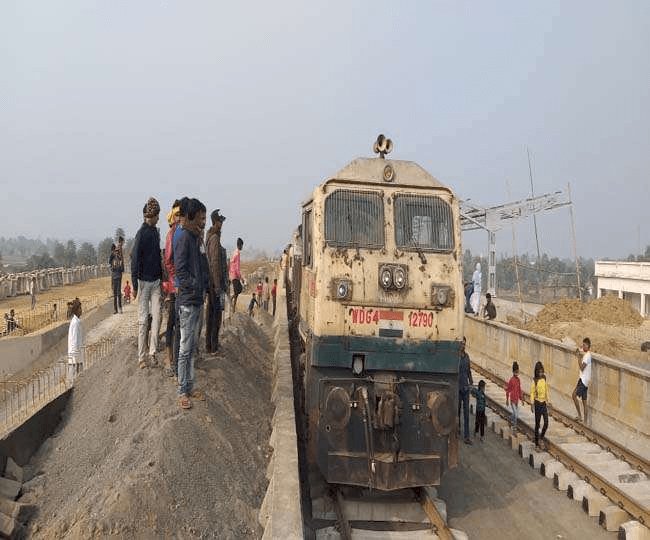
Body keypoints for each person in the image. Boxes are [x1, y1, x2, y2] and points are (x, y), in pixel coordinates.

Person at [174, 198, 207, 409]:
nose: (203, 221)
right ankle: (182, 390)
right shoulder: (184, 238)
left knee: (192, 346)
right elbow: (180, 271)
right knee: (185, 349)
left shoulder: (195, 238)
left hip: (196, 299)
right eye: (201, 217)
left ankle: (190, 385)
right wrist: (195, 285)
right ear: (193, 216)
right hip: (187, 301)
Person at [131, 197, 163, 369]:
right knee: (143, 320)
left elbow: (158, 257)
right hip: (143, 283)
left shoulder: (155, 233)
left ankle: (152, 353)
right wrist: (135, 287)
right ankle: (141, 357)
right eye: (157, 215)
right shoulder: (141, 234)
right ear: (151, 215)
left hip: (156, 282)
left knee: (157, 317)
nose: (158, 218)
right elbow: (134, 260)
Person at [163, 201, 181, 377]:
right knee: (172, 323)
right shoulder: (171, 234)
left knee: (178, 323)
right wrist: (176, 279)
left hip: (178, 284)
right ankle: (170, 358)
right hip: (174, 286)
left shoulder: (182, 232)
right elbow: (168, 261)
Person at [206, 209, 227, 353]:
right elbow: (214, 263)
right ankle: (213, 347)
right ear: (216, 222)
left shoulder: (212, 236)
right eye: (220, 222)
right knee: (215, 316)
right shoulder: (214, 238)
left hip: (213, 283)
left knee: (212, 315)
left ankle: (211, 345)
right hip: (214, 284)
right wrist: (218, 286)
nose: (222, 224)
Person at [531, 361, 550, 449]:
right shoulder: (534, 380)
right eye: (539, 372)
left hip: (544, 403)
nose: (541, 373)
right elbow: (532, 392)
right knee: (537, 424)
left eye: (542, 371)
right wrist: (532, 404)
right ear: (536, 372)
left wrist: (548, 400)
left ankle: (541, 437)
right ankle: (536, 444)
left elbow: (546, 389)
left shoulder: (544, 378)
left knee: (546, 422)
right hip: (537, 403)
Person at [572, 337, 592, 423]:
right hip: (585, 381)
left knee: (573, 395)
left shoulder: (587, 356)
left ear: (587, 346)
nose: (582, 346)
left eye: (584, 345)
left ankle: (580, 416)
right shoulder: (587, 355)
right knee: (584, 402)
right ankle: (585, 422)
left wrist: (578, 357)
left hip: (583, 381)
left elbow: (582, 368)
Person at [458, 337, 473, 445]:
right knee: (457, 412)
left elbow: (469, 371)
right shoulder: (455, 357)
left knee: (466, 413)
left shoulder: (467, 357)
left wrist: (471, 382)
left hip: (466, 388)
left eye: (464, 343)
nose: (463, 345)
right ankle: (457, 430)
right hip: (457, 388)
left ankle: (467, 437)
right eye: (462, 343)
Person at [67, 298, 83, 384]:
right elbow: (75, 342)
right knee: (74, 381)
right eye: (80, 308)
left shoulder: (76, 321)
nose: (81, 310)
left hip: (75, 356)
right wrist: (76, 360)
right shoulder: (75, 323)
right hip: (75, 356)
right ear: (76, 310)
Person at [109, 237, 125, 314]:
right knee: (115, 293)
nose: (117, 252)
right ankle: (116, 309)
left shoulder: (119, 258)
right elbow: (110, 264)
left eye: (117, 252)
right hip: (115, 276)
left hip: (117, 276)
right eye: (115, 251)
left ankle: (119, 308)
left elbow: (121, 268)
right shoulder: (112, 258)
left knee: (118, 293)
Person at [505, 361, 522, 432]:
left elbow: (519, 389)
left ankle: (509, 418)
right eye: (516, 372)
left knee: (515, 414)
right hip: (512, 400)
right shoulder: (511, 380)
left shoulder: (518, 380)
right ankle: (514, 427)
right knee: (515, 414)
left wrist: (522, 399)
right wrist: (507, 399)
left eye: (517, 372)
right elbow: (508, 390)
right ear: (513, 372)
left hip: (517, 400)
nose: (517, 373)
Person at [229, 238, 244, 315]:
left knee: (237, 291)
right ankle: (233, 307)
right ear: (240, 245)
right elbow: (237, 267)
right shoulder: (237, 254)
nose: (242, 247)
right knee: (238, 290)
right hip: (235, 275)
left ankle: (232, 303)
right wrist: (240, 277)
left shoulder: (234, 252)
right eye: (242, 246)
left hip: (232, 274)